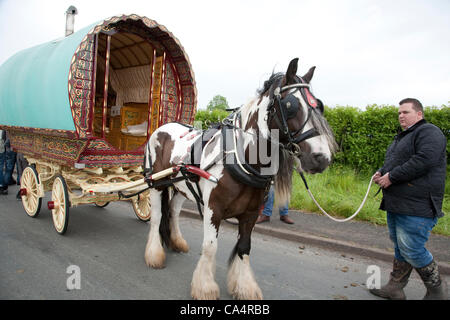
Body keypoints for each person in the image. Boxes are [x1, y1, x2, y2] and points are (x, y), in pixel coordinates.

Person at [369, 98, 447, 300]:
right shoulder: (403, 137)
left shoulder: (429, 132)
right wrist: (381, 172)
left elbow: (424, 160)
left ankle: (437, 291)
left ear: (419, 114)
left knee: (412, 248)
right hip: (398, 203)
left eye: (406, 112)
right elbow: (394, 163)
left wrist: (392, 177)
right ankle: (395, 287)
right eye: (399, 113)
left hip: (418, 205)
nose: (401, 116)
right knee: (400, 247)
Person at [1, 130, 17, 195]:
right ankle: (6, 182)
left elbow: (3, 135)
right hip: (11, 145)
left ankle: (5, 182)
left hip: (7, 145)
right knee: (10, 166)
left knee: (7, 165)